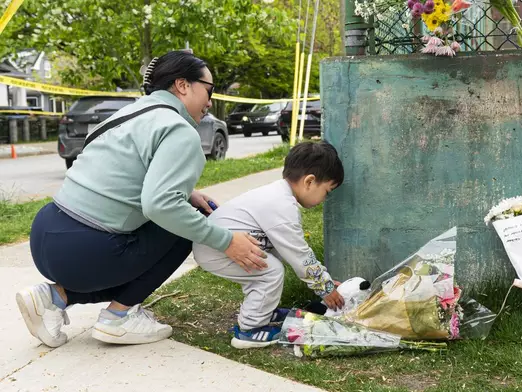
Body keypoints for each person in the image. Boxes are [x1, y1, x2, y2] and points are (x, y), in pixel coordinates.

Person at [16, 51, 268, 348]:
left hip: (47, 231)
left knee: (181, 210)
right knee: (185, 226)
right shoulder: (179, 129)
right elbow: (161, 205)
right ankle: (118, 318)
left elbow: (118, 171)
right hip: (84, 250)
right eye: (209, 90)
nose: (210, 102)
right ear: (183, 85)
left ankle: (53, 297)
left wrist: (187, 192)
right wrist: (227, 241)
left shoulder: (127, 114)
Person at [193, 141, 346, 349]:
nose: (325, 198)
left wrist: (322, 280)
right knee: (270, 272)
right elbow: (300, 256)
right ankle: (250, 330)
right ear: (309, 182)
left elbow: (285, 250)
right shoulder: (282, 206)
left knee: (265, 267)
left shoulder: (277, 195)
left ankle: (262, 311)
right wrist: (326, 288)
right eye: (327, 191)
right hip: (216, 248)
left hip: (214, 245)